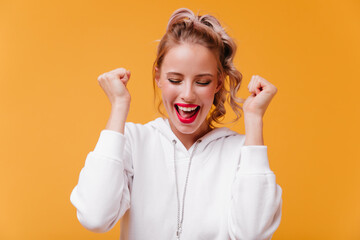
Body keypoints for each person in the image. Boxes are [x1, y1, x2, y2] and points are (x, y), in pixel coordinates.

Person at [70, 8, 282, 240]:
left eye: (202, 81)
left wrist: (254, 121)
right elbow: (95, 216)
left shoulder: (241, 151)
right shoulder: (133, 141)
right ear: (158, 77)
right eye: (175, 80)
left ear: (219, 82)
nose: (188, 94)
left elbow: (253, 234)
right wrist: (119, 106)